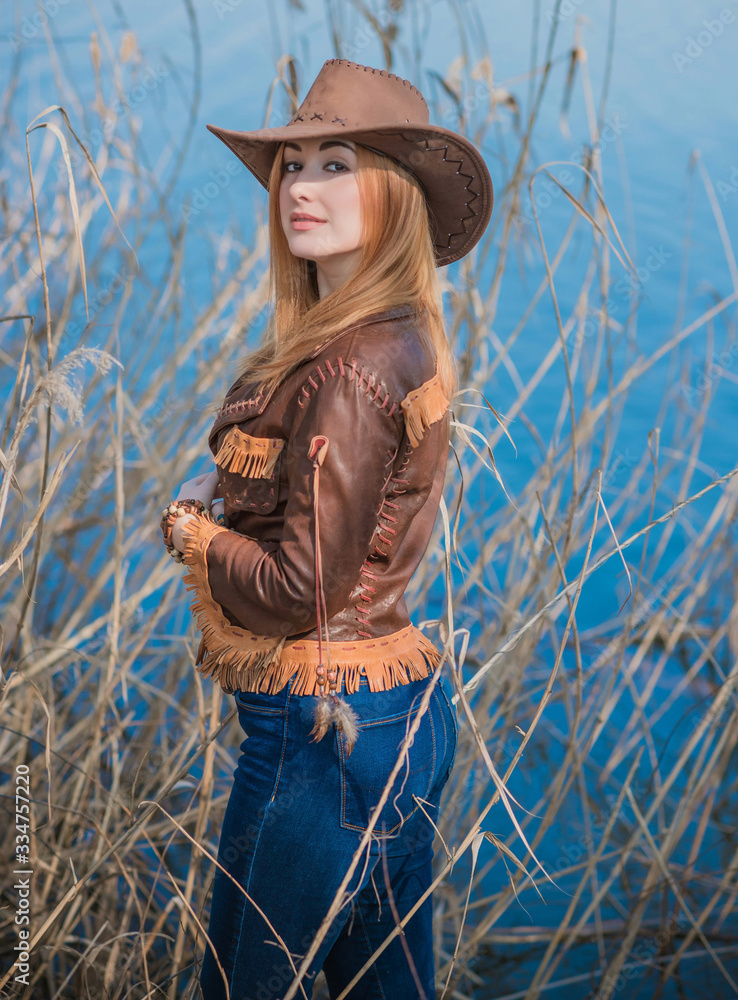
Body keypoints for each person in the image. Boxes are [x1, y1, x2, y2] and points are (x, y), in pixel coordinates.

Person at [159, 57, 493, 1000]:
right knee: (384, 989)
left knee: (245, 984)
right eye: (294, 165)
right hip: (396, 709)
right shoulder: (398, 332)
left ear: (393, 192)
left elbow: (301, 592)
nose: (301, 187)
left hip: (321, 730)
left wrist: (192, 533)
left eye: (336, 164)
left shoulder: (346, 368)